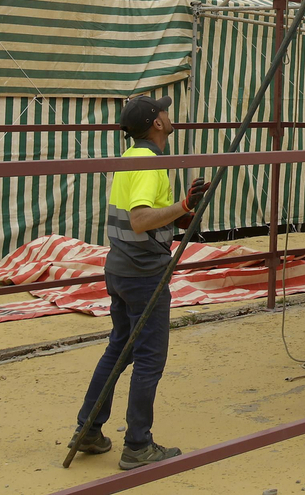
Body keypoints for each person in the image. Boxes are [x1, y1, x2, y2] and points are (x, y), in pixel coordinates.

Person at [71, 94, 207, 471]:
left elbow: (146, 219)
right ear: (157, 124)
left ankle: (89, 429)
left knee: (119, 348)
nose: (168, 112)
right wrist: (182, 208)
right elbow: (140, 219)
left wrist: (184, 208)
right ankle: (137, 445)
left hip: (119, 267)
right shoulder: (150, 164)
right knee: (149, 358)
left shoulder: (130, 159)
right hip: (143, 273)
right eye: (164, 110)